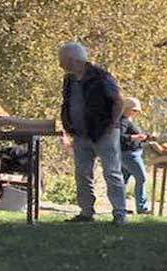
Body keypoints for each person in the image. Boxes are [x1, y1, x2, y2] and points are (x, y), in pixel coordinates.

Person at [57, 42, 130, 225]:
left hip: (103, 132)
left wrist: (112, 124)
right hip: (80, 134)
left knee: (112, 173)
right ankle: (86, 212)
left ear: (73, 60)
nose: (60, 65)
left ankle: (119, 213)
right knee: (82, 173)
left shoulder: (101, 77)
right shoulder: (69, 79)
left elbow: (119, 100)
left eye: (62, 60)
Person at [118, 97, 154, 214]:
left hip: (129, 153)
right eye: (134, 110)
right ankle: (142, 207)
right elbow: (120, 137)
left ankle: (120, 207)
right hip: (129, 154)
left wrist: (144, 138)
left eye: (136, 111)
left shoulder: (128, 120)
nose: (136, 113)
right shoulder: (123, 121)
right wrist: (136, 137)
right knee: (141, 178)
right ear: (126, 109)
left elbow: (131, 137)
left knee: (123, 180)